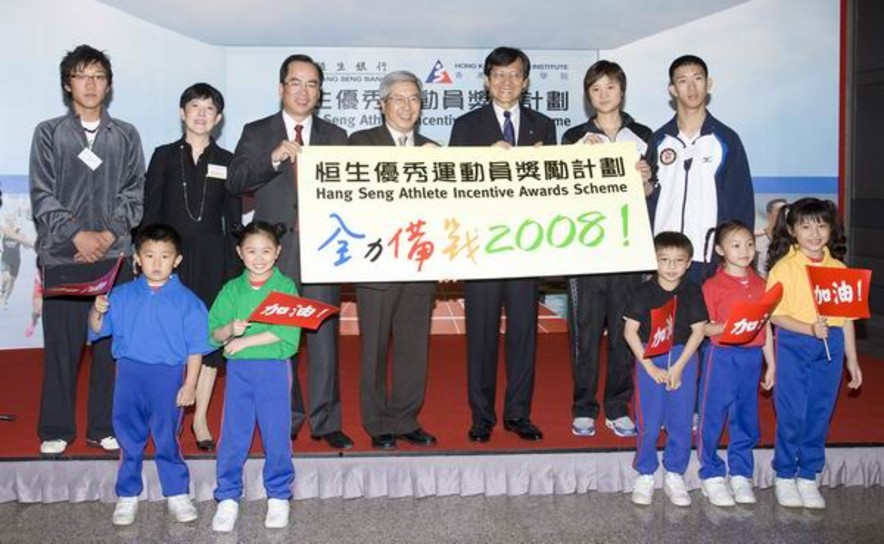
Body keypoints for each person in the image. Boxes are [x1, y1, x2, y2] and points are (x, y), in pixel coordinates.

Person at [227, 54, 352, 450]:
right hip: (274, 255)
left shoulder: (336, 136)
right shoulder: (257, 131)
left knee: (324, 336)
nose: (304, 91)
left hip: (323, 249)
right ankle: (288, 415)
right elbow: (235, 181)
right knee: (277, 334)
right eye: (295, 83)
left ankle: (326, 419)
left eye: (312, 84)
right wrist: (273, 158)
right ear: (281, 88)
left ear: (320, 92)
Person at [29, 44, 144, 456]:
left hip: (115, 259)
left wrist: (108, 236)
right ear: (67, 84)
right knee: (61, 348)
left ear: (109, 84)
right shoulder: (48, 133)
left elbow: (134, 195)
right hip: (63, 255)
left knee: (110, 347)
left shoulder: (127, 134)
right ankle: (56, 427)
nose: (90, 83)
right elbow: (42, 195)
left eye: (98, 76)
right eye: (81, 76)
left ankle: (103, 426)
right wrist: (78, 234)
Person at [449, 46, 557, 443]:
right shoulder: (466, 126)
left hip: (526, 246)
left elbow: (553, 190)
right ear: (486, 80)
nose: (506, 82)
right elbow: (453, 184)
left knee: (524, 334)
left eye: (514, 75)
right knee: (480, 335)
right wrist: (482, 158)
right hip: (482, 246)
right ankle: (481, 416)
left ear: (525, 81)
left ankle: (518, 413)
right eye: (498, 75)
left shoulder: (544, 126)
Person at [88, 224, 209, 526]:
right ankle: (128, 494)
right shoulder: (121, 294)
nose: (157, 263)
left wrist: (191, 384)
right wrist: (97, 310)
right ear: (137, 258)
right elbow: (98, 329)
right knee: (129, 437)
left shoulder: (189, 302)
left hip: (168, 376)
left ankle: (177, 492)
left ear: (177, 260)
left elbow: (196, 348)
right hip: (130, 374)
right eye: (150, 255)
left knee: (167, 436)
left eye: (165, 256)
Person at [143, 82, 241, 451]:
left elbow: (233, 221)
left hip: (216, 259)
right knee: (170, 337)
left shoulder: (228, 160)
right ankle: (168, 416)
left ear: (218, 118)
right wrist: (147, 258)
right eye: (195, 107)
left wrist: (236, 268)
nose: (202, 114)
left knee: (211, 338)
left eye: (210, 109)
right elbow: (150, 211)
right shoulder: (164, 156)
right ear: (183, 112)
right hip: (169, 260)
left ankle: (200, 418)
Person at [561, 60, 653, 439]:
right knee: (584, 333)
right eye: (595, 89)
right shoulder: (573, 138)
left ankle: (618, 406)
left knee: (623, 332)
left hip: (630, 250)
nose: (603, 94)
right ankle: (584, 407)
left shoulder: (644, 135)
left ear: (621, 90)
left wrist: (645, 180)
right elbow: (561, 193)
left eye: (609, 87)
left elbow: (652, 195)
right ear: (588, 95)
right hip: (587, 250)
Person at [348, 71, 438, 450]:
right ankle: (376, 422)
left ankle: (405, 417)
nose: (407, 106)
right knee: (374, 349)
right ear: (382, 104)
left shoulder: (434, 149)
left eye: (414, 99)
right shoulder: (360, 143)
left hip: (419, 262)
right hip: (376, 262)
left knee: (413, 347)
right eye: (398, 98)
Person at [765, 198, 862, 509]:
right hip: (795, 342)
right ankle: (784, 475)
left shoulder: (839, 268)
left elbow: (846, 318)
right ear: (793, 231)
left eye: (821, 225)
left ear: (831, 229)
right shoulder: (783, 268)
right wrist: (808, 329)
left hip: (830, 345)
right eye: (806, 226)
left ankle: (808, 475)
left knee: (820, 412)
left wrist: (852, 359)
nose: (815, 233)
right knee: (792, 412)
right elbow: (774, 316)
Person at [209, 221, 301, 532]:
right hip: (239, 371)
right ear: (239, 253)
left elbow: (286, 333)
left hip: (273, 369)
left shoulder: (286, 287)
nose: (258, 257)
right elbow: (214, 331)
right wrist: (228, 331)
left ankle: (278, 495)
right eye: (251, 251)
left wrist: (245, 340)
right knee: (234, 434)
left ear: (277, 253)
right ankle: (228, 496)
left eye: (265, 251)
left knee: (276, 434)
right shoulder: (231, 289)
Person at [646, 54, 754, 283]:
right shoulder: (658, 140)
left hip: (709, 259)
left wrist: (733, 253)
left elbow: (740, 200)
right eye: (683, 80)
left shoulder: (726, 139)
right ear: (672, 89)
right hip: (666, 259)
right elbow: (648, 199)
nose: (691, 87)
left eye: (698, 78)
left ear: (709, 84)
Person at [623, 231, 708, 506]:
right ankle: (646, 472)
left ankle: (675, 473)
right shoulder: (642, 292)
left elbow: (699, 332)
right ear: (654, 260)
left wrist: (680, 366)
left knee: (681, 421)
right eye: (664, 259)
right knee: (649, 421)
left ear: (688, 262)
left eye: (678, 260)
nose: (671, 266)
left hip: (683, 357)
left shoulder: (692, 291)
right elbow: (630, 332)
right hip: (650, 356)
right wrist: (648, 367)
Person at [697, 220, 775, 507]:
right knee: (713, 415)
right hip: (722, 356)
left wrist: (772, 364)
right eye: (736, 245)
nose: (745, 251)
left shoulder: (761, 283)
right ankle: (711, 474)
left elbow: (765, 327)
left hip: (752, 358)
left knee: (746, 417)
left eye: (750, 245)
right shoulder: (712, 286)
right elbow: (702, 328)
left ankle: (741, 473)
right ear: (720, 249)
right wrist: (729, 326)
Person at [1, 214, 34, 308]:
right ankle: (2, 291)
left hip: (16, 260)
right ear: (6, 222)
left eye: (13, 221)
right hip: (5, 258)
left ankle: (5, 299)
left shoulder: (19, 233)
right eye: (9, 221)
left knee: (11, 281)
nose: (11, 223)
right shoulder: (4, 232)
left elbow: (26, 246)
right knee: (6, 278)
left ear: (15, 222)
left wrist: (29, 243)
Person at [755, 198, 787, 277]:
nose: (783, 215)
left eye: (784, 212)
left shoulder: (792, 240)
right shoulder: (755, 239)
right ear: (769, 214)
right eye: (778, 211)